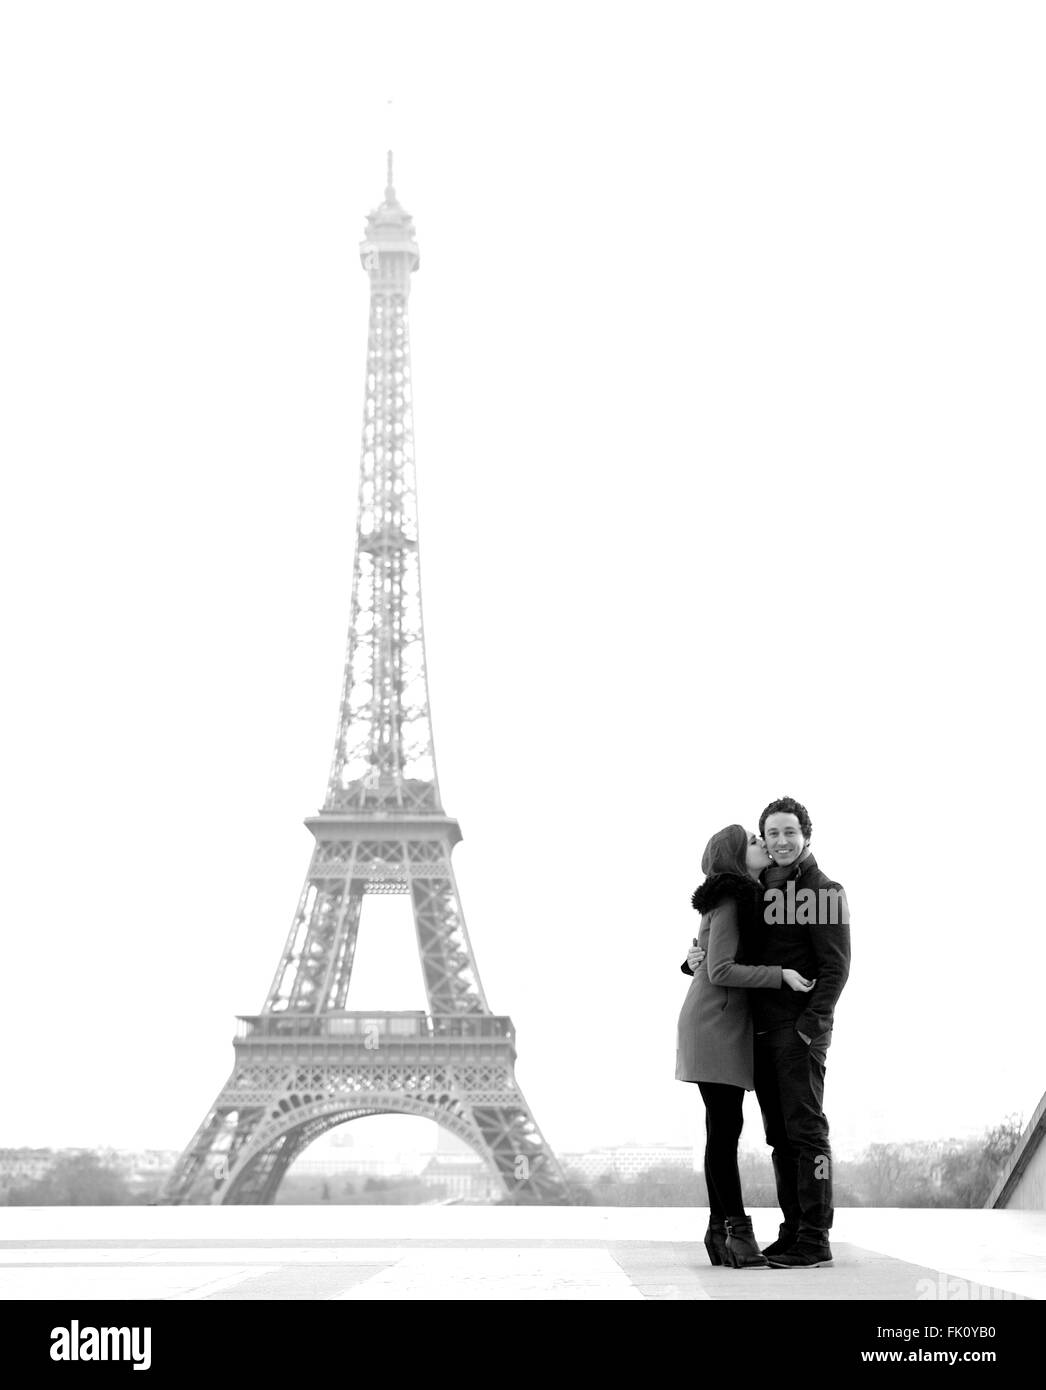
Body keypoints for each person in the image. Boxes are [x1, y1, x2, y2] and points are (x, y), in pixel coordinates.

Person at [676, 823, 815, 1269]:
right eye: (753, 841)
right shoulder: (734, 897)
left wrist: (691, 958)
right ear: (737, 856)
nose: (762, 843)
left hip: (718, 1022)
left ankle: (721, 1233)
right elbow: (720, 969)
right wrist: (780, 974)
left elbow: (704, 954)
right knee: (725, 1130)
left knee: (721, 1130)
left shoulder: (733, 895)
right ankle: (735, 1232)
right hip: (716, 1024)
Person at [750, 796, 851, 1269]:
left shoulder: (824, 890)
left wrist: (810, 1029)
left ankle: (816, 1236)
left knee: (808, 1133)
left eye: (790, 832)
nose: (782, 841)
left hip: (798, 1033)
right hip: (765, 1031)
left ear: (806, 835)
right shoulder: (766, 889)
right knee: (780, 1138)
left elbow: (836, 968)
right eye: (773, 833)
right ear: (765, 840)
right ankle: (793, 1231)